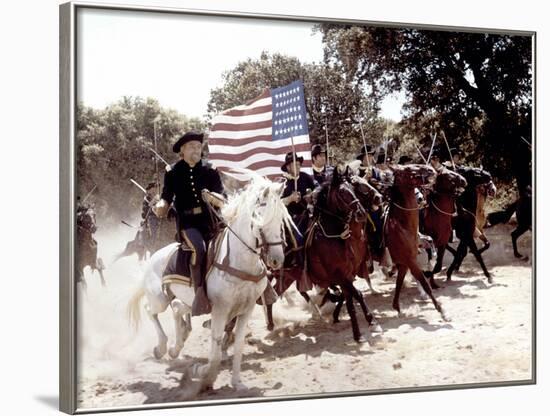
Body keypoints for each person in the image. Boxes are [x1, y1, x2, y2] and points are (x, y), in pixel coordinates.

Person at [153, 131, 224, 316]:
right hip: (189, 224)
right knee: (199, 249)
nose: (197, 149)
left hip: (213, 221)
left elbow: (222, 198)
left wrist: (213, 197)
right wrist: (160, 206)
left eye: (199, 147)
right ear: (182, 151)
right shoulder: (173, 172)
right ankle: (199, 294)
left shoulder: (210, 169)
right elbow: (166, 198)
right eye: (192, 146)